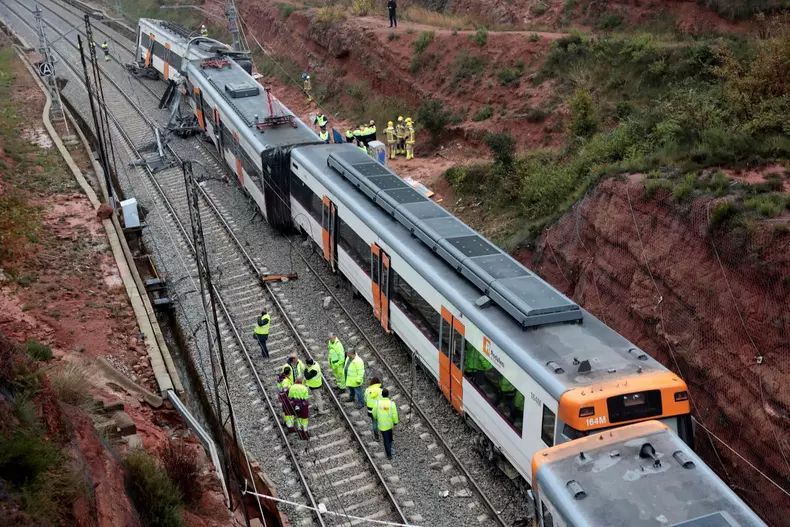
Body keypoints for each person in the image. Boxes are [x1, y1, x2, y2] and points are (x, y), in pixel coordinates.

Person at [373, 388, 398, 459]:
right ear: (388, 395)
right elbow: (394, 414)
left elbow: (374, 412)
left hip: (382, 425)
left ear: (382, 395)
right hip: (389, 424)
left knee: (385, 439)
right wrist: (395, 422)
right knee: (389, 435)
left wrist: (375, 417)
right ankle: (390, 444)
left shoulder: (377, 403)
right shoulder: (391, 403)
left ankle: (389, 454)